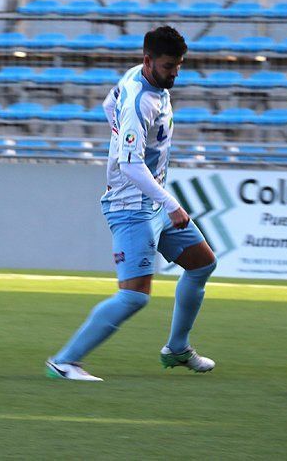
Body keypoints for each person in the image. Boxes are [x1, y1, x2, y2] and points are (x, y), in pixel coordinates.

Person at [46, 26, 218, 381]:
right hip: (131, 205)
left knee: (201, 264)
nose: (175, 73)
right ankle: (65, 362)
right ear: (148, 61)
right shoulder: (140, 101)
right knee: (134, 297)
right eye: (169, 66)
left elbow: (108, 103)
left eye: (179, 66)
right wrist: (170, 202)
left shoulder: (138, 80)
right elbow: (130, 164)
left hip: (152, 202)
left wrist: (119, 139)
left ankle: (177, 348)